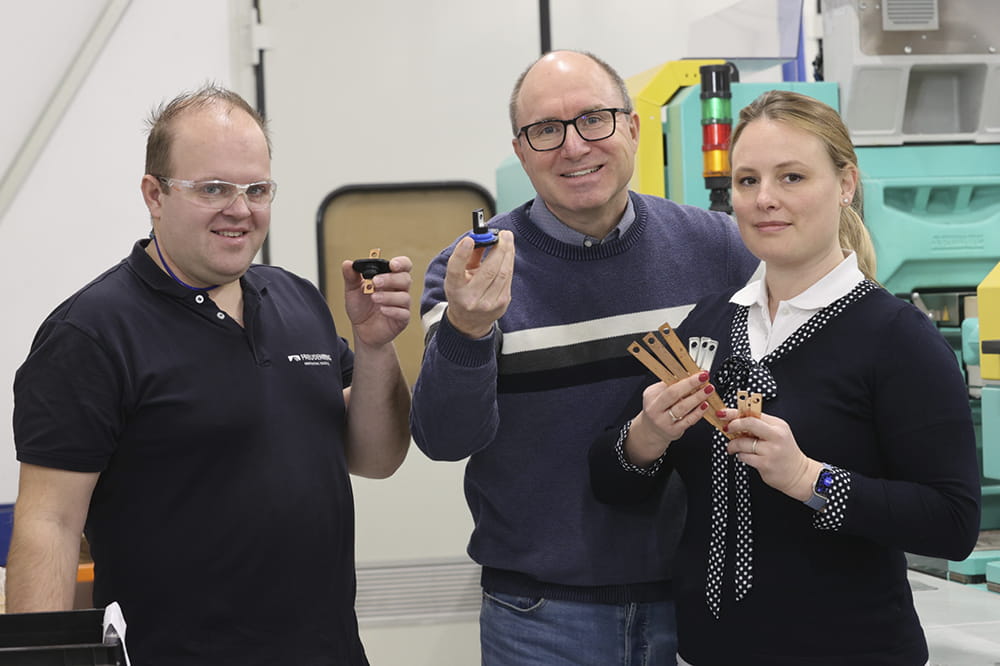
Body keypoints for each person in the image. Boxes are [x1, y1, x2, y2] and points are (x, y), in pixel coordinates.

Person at [7, 85, 412, 666]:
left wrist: (375, 349)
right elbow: (50, 522)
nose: (240, 209)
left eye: (256, 189)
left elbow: (376, 458)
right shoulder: (91, 334)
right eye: (213, 189)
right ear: (154, 194)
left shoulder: (296, 299)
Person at [589, 89, 982, 665]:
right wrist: (647, 435)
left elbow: (952, 525)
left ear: (845, 184)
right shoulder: (709, 324)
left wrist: (807, 478)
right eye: (747, 181)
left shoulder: (898, 338)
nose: (765, 200)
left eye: (792, 177)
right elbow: (613, 484)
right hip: (708, 651)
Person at [410, 50, 759, 665]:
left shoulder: (720, 249)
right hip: (539, 618)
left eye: (594, 119)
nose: (573, 147)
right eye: (545, 130)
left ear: (632, 128)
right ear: (520, 152)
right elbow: (443, 437)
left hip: (699, 602)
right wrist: (468, 328)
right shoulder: (471, 270)